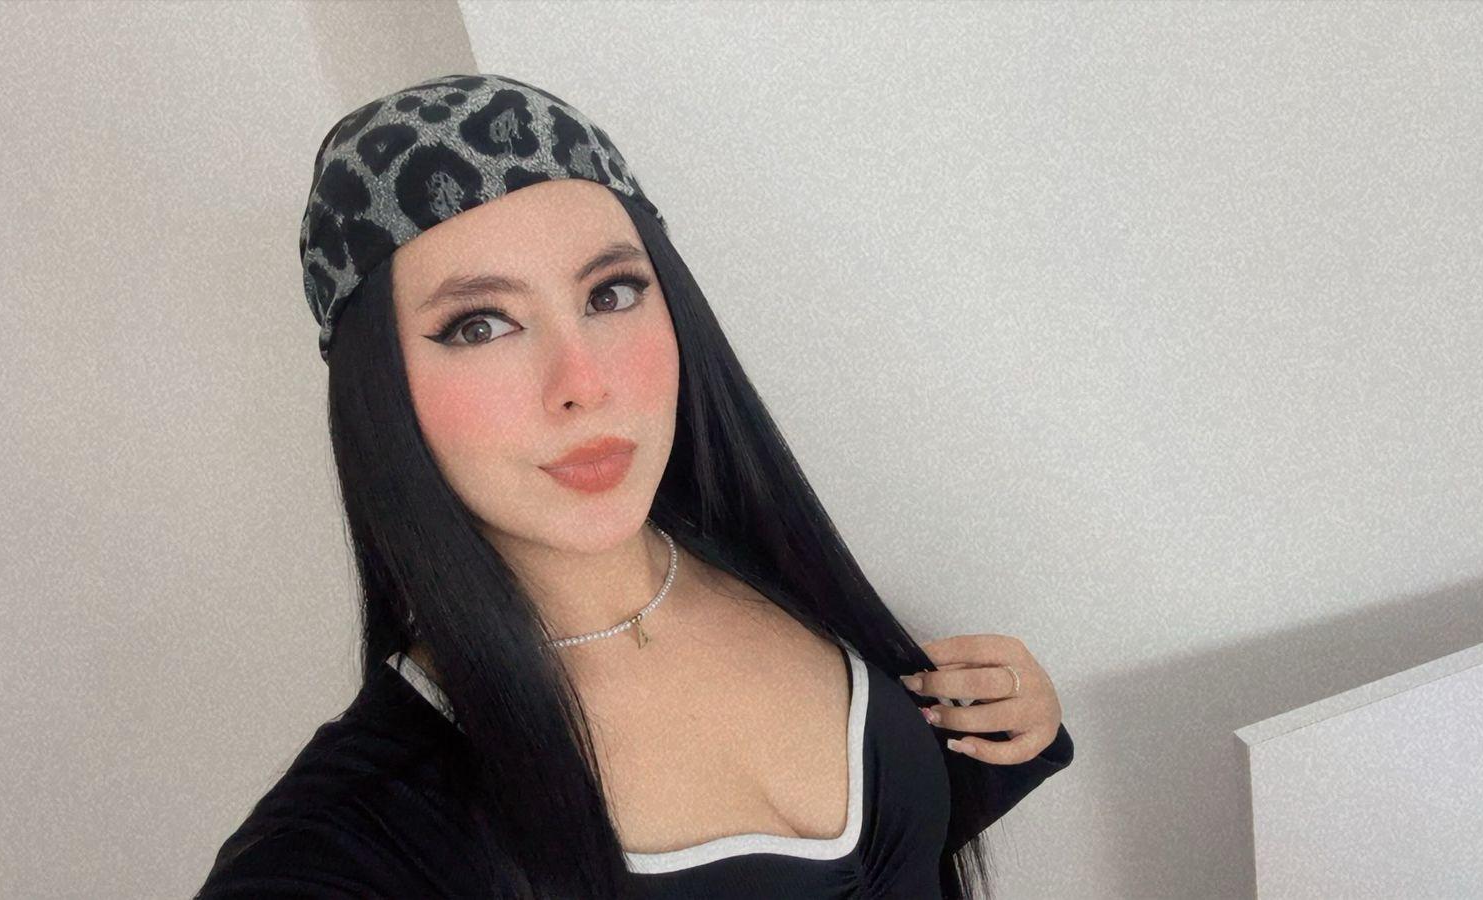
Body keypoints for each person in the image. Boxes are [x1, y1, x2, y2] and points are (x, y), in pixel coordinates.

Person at [196, 73, 1073, 899]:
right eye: (480, 325)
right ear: (377, 389)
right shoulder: (367, 826)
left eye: (611, 294)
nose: (583, 382)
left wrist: (999, 723)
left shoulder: (768, 561)